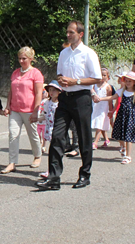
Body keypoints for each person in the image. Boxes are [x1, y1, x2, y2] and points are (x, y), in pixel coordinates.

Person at [35, 20, 102, 190]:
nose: (68, 35)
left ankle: (85, 175)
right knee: (57, 136)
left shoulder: (88, 53)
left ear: (80, 34)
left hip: (82, 98)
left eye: (71, 32)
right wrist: (62, 80)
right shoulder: (64, 53)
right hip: (65, 97)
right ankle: (53, 177)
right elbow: (59, 73)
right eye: (67, 32)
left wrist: (75, 81)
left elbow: (97, 78)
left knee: (84, 137)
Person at [1, 46, 43, 174]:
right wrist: (8, 106)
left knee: (33, 135)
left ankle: (37, 156)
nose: (21, 61)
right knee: (13, 135)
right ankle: (12, 162)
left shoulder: (36, 73)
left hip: (30, 110)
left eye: (24, 58)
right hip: (15, 110)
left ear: (30, 59)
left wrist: (36, 110)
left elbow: (38, 93)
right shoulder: (15, 73)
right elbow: (11, 91)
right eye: (19, 58)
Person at [100, 72, 135, 164]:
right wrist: (101, 99)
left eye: (129, 81)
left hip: (131, 116)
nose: (127, 83)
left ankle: (128, 156)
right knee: (118, 133)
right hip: (121, 114)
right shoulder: (122, 91)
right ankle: (123, 147)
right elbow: (113, 97)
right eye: (126, 81)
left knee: (128, 136)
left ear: (134, 82)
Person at [38, 81, 62, 178]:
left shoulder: (60, 104)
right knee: (51, 151)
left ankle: (52, 170)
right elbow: (46, 115)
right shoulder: (47, 102)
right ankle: (51, 170)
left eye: (54, 90)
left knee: (55, 151)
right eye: (50, 90)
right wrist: (37, 119)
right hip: (48, 128)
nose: (51, 92)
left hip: (57, 129)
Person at [91, 68, 113, 149]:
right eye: (101, 75)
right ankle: (106, 139)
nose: (102, 77)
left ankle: (95, 142)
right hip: (95, 107)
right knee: (100, 123)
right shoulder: (94, 85)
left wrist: (110, 110)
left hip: (103, 108)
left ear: (107, 77)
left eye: (104, 75)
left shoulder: (108, 87)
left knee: (99, 124)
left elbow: (110, 99)